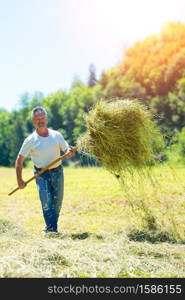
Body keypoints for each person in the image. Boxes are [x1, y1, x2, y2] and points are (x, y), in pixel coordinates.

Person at [15, 106, 75, 234]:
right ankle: (51, 230)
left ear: (46, 119)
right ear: (33, 121)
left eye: (42, 118)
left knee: (57, 202)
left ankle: (52, 228)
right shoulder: (30, 140)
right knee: (47, 203)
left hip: (57, 171)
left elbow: (67, 150)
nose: (40, 121)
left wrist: (69, 152)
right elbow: (19, 161)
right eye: (37, 119)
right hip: (41, 174)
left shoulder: (56, 135)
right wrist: (19, 180)